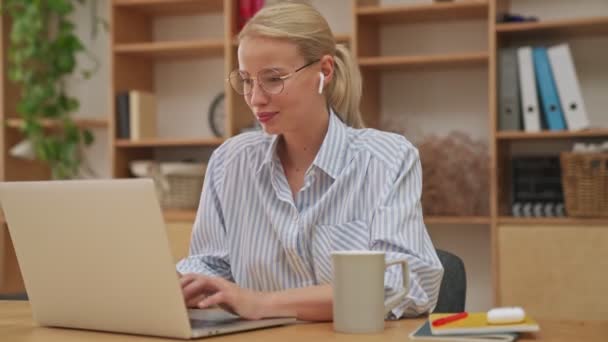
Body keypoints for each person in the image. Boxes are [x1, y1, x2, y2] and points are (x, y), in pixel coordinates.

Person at [177, 2, 443, 322]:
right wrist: (189, 287)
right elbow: (207, 265)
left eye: (273, 79)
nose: (255, 98)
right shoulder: (229, 163)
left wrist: (262, 303)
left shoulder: (386, 160)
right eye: (246, 80)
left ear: (324, 71)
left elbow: (404, 283)